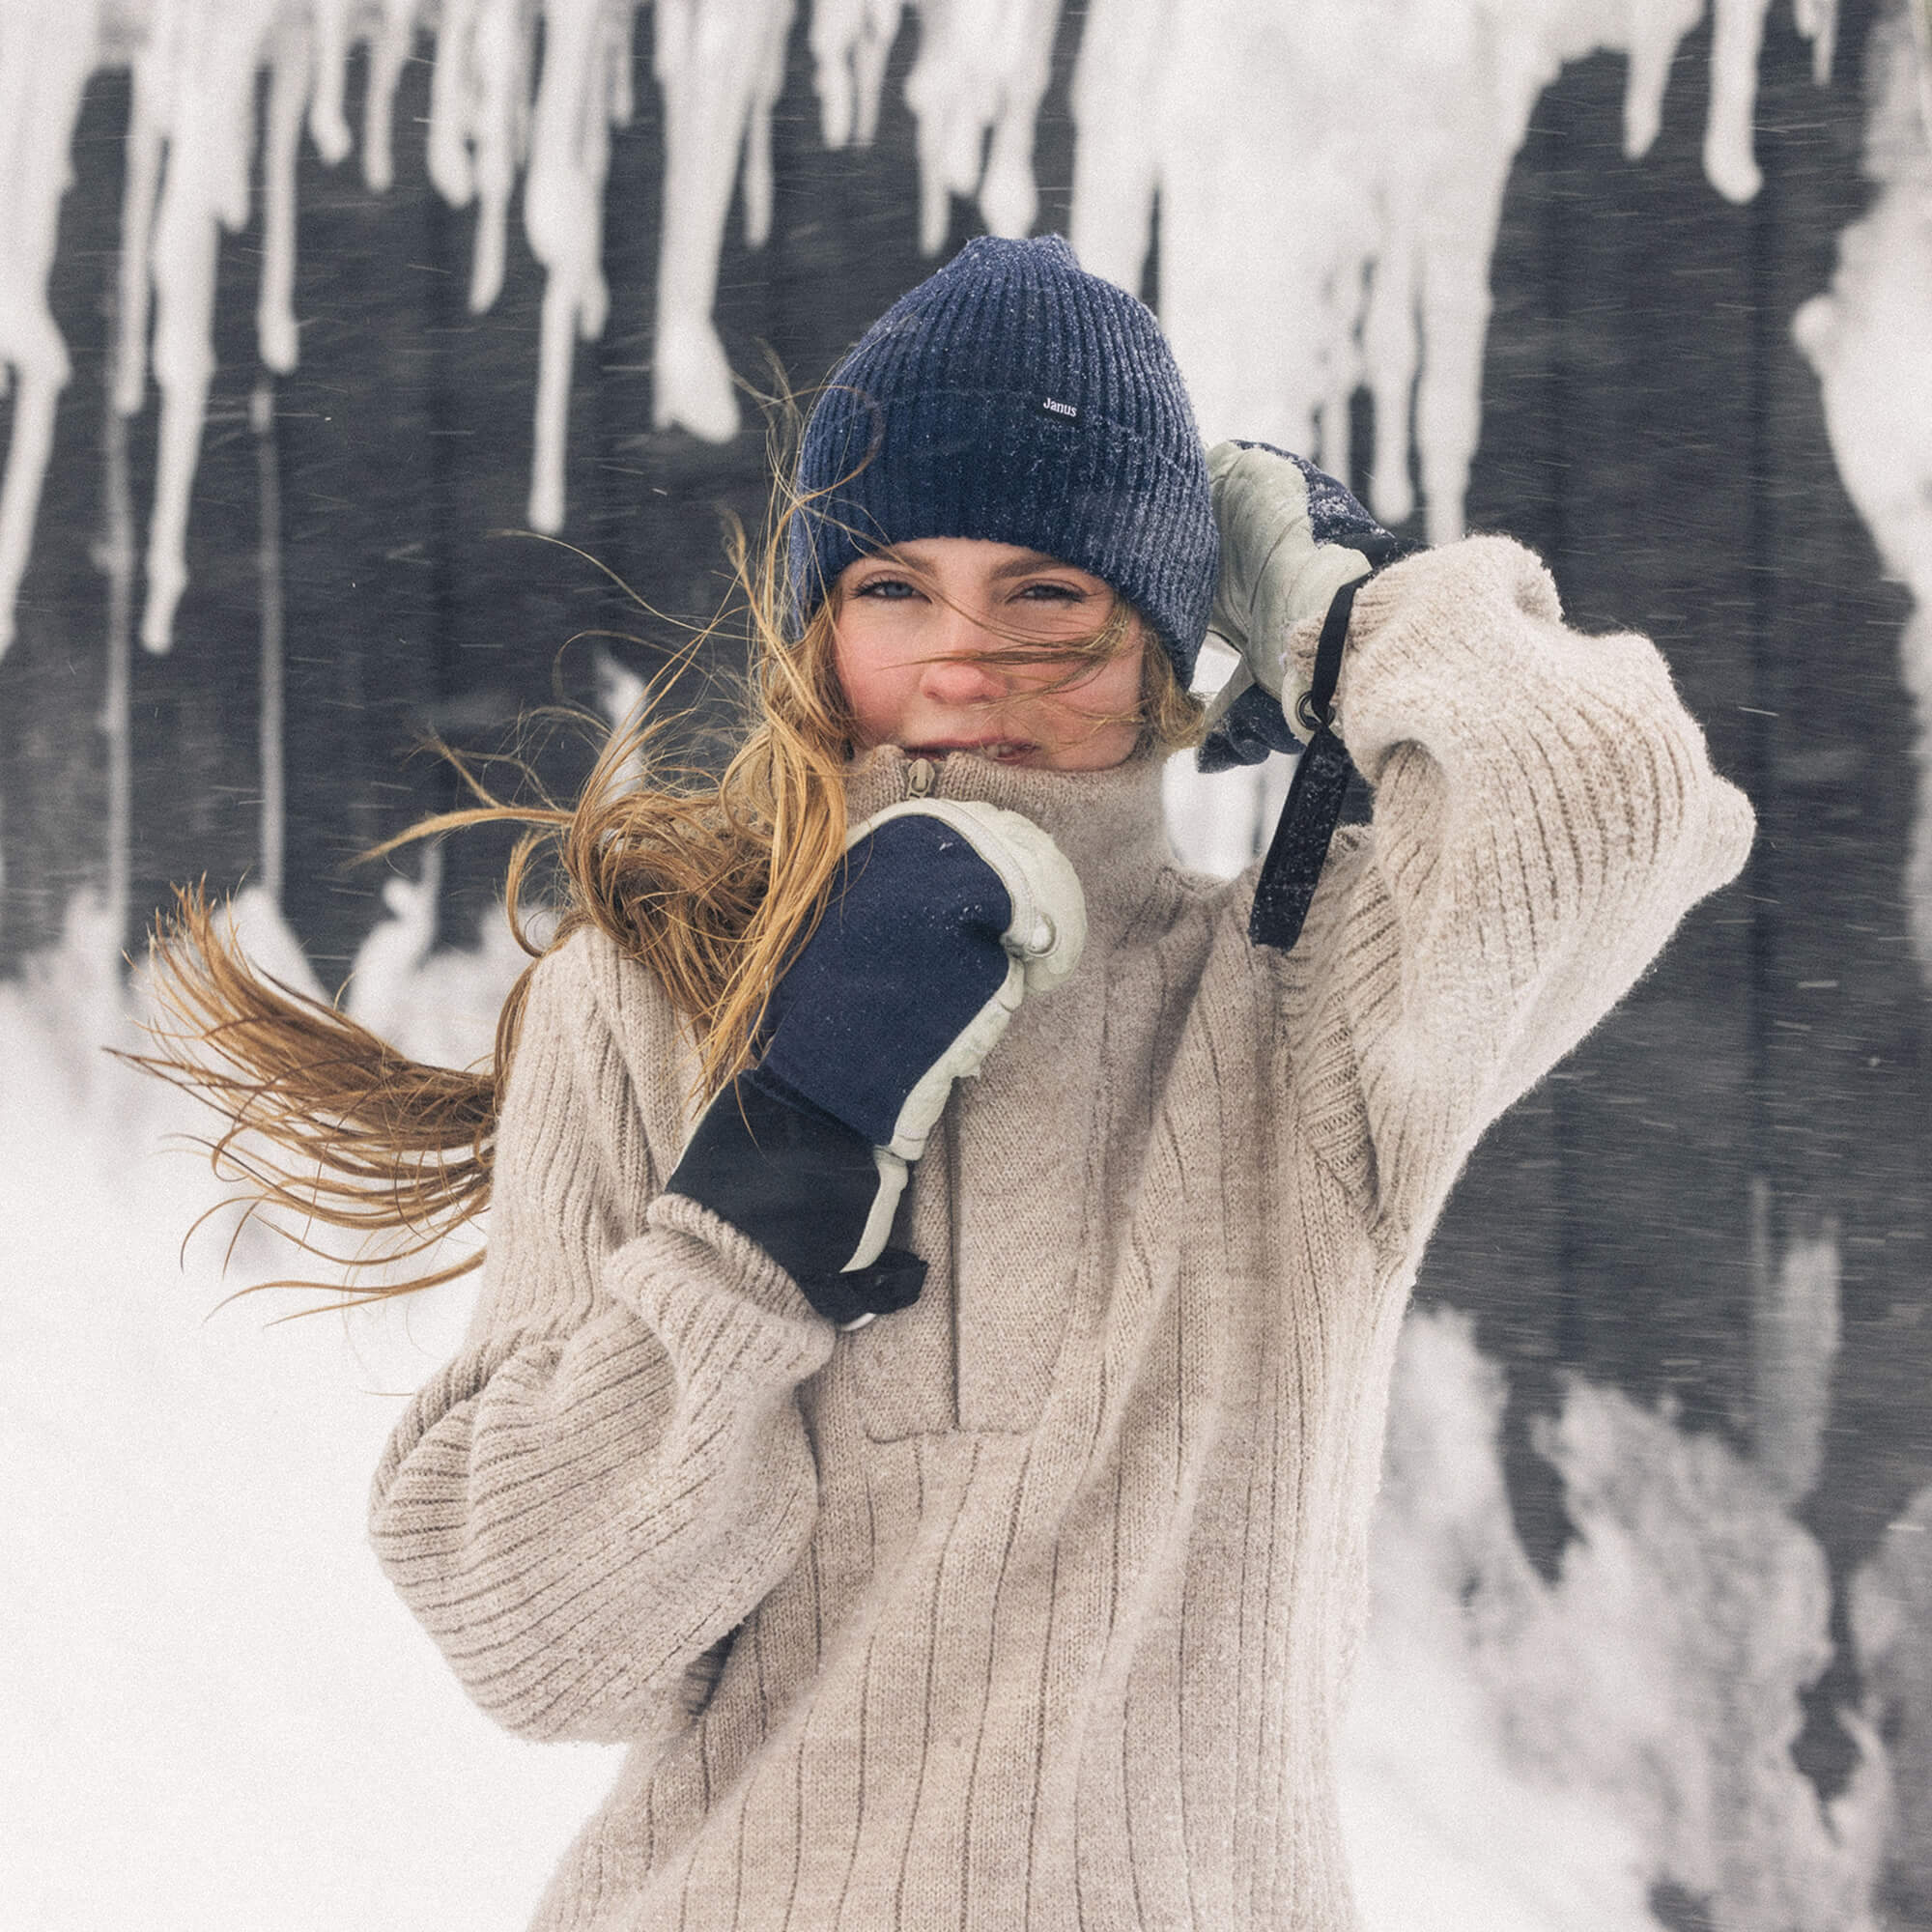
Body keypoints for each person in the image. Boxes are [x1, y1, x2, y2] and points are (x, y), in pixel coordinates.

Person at [147, 235, 1753, 1928]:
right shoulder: (648, 999)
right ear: (818, 626)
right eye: (895, 587)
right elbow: (532, 1633)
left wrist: (1346, 610)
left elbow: (1618, 805)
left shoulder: (1297, 1015)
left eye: (1050, 592)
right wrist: (779, 1168)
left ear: (1162, 643)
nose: (966, 659)